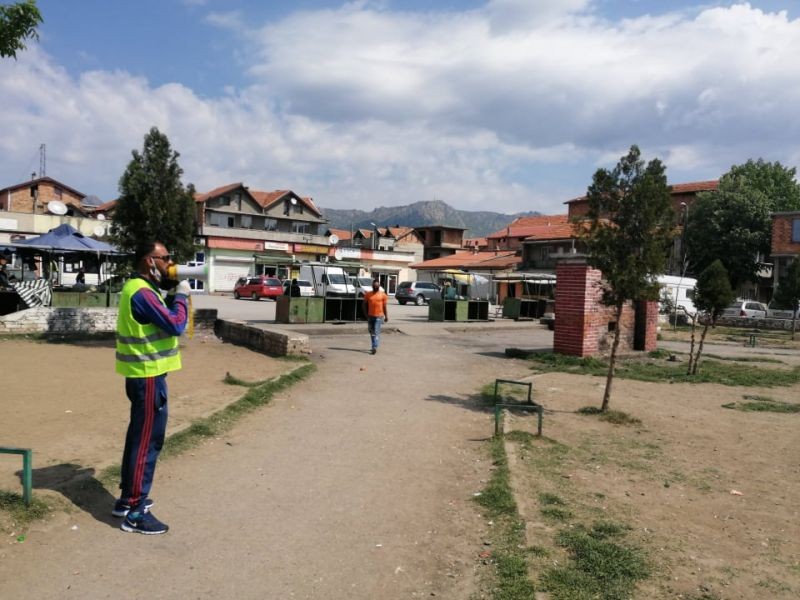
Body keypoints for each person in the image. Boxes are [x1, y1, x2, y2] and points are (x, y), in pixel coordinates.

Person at [114, 241, 189, 535]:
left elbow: (158, 320)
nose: (169, 262)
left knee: (138, 437)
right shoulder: (142, 292)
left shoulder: (141, 288)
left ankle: (127, 499)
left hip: (143, 375)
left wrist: (170, 293)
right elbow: (176, 325)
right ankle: (135, 511)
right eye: (165, 258)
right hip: (147, 376)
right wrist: (181, 297)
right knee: (147, 442)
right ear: (149, 261)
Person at [362, 278, 388, 355]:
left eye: (377, 286)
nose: (375, 287)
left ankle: (374, 347)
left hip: (379, 316)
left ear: (379, 286)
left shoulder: (383, 295)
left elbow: (384, 307)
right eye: (374, 286)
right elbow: (363, 304)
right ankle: (374, 345)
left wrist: (386, 316)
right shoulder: (368, 294)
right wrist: (366, 314)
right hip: (370, 316)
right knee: (371, 332)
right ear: (372, 286)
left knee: (376, 332)